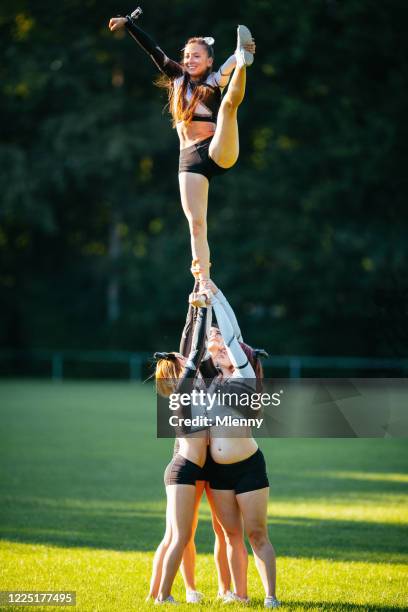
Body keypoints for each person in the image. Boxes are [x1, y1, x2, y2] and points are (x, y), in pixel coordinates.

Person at [108, 7, 256, 282]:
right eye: (187, 56)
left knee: (227, 107)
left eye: (197, 56)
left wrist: (236, 59)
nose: (190, 60)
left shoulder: (213, 80)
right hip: (189, 161)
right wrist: (129, 24)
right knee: (197, 226)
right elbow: (153, 50)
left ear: (209, 62)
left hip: (217, 150)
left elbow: (225, 70)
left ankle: (243, 59)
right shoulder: (176, 79)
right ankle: (203, 281)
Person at [151, 284, 247, 604]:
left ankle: (222, 589)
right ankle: (183, 590)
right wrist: (200, 306)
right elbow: (189, 344)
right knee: (182, 535)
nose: (185, 353)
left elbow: (192, 336)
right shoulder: (187, 380)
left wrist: (197, 298)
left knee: (218, 531)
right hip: (188, 463)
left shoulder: (210, 368)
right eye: (181, 357)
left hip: (214, 463)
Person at [199, 280, 281, 609]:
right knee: (231, 536)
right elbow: (201, 342)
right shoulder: (211, 377)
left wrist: (215, 292)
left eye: (225, 349)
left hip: (248, 469)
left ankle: (271, 597)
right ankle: (241, 595)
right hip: (218, 473)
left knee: (257, 535)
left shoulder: (243, 376)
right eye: (215, 348)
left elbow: (230, 332)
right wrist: (201, 301)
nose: (219, 348)